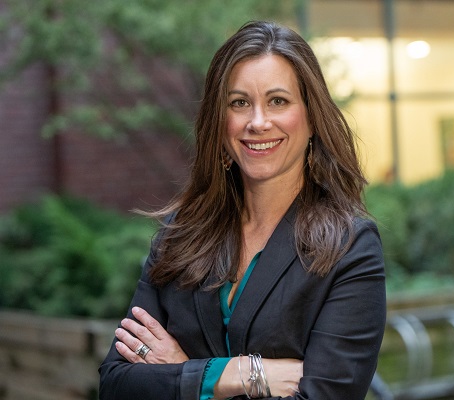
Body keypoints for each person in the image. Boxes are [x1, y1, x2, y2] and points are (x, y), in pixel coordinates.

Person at [99, 20, 386, 400]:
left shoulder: (350, 248)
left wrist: (182, 373)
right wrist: (238, 374)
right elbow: (115, 384)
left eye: (278, 101)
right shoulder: (179, 236)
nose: (258, 122)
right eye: (239, 103)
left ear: (312, 117)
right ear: (220, 122)